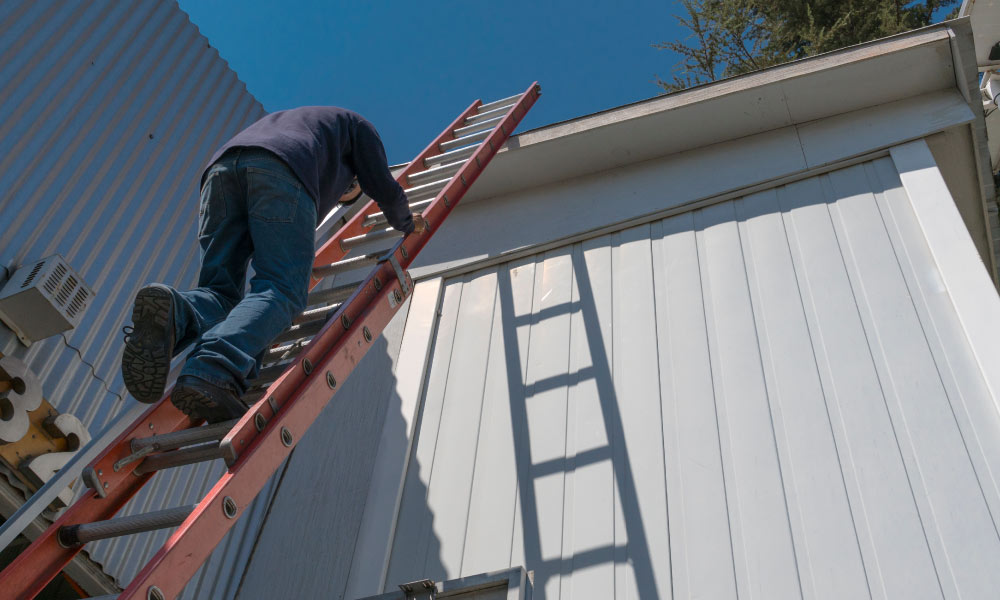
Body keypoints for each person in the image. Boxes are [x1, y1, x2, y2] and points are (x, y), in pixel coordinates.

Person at [121, 107, 425, 423]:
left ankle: (176, 313)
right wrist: (405, 221)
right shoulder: (359, 127)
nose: (340, 195)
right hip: (282, 169)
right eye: (347, 190)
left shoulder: (301, 120)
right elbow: (382, 185)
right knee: (282, 288)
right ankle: (214, 367)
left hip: (220, 172)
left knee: (220, 293)